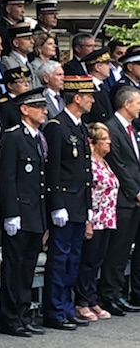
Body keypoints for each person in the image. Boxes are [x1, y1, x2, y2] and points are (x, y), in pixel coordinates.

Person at [43, 75, 94, 331]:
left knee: (73, 258)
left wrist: (88, 206)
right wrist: (57, 203)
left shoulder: (79, 126)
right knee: (60, 258)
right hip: (64, 202)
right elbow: (52, 169)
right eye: (89, 96)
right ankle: (54, 309)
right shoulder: (57, 126)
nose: (92, 100)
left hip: (77, 203)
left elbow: (84, 170)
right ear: (77, 97)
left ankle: (65, 306)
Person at [0, 87, 48, 338]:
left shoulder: (38, 137)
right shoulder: (14, 136)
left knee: (28, 266)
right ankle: (10, 317)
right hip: (19, 210)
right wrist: (11, 212)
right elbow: (7, 177)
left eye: (44, 106)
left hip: (35, 211)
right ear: (24, 109)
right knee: (14, 266)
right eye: (38, 107)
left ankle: (23, 313)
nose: (44, 111)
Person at [99, 86, 140, 316]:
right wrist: (136, 192)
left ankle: (118, 293)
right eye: (138, 102)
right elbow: (118, 165)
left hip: (133, 199)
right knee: (115, 251)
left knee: (124, 251)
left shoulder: (131, 128)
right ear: (126, 104)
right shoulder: (111, 128)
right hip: (123, 198)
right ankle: (109, 294)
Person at [74, 122, 118, 322]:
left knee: (97, 261)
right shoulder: (90, 164)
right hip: (95, 219)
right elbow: (89, 193)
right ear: (93, 142)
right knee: (88, 262)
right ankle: (81, 302)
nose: (109, 142)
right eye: (105, 139)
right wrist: (87, 221)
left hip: (108, 219)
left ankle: (92, 299)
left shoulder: (105, 162)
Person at [2, 23, 41, 90]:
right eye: (27, 39)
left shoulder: (28, 63)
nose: (32, 41)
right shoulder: (8, 62)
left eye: (32, 38)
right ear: (16, 43)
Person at [82, 47, 114, 124]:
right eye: (107, 64)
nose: (110, 67)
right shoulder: (87, 88)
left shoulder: (102, 87)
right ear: (97, 67)